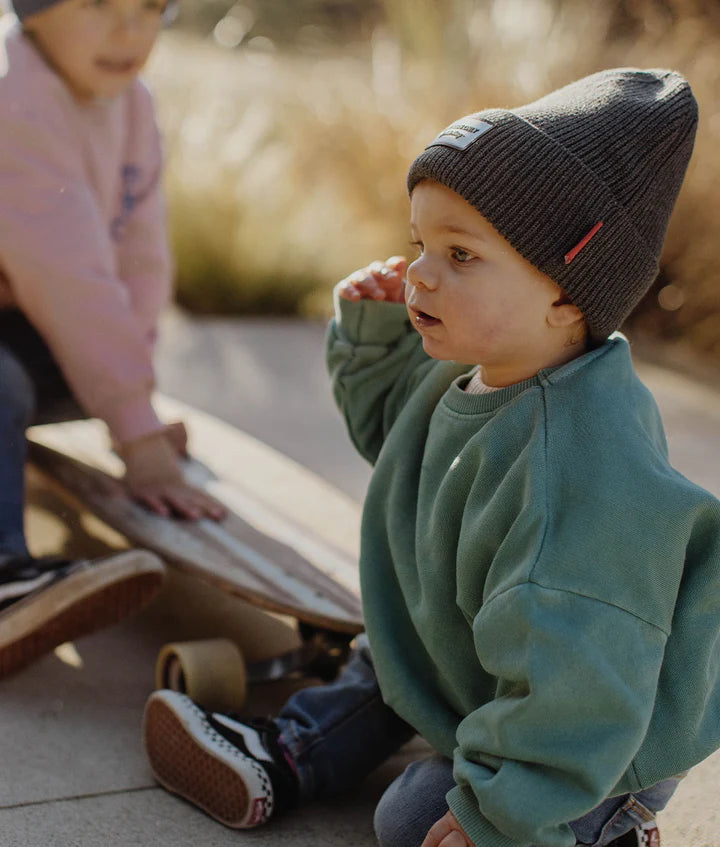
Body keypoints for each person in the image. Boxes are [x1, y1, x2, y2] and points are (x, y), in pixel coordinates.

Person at [142, 68, 720, 847]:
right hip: (492, 655)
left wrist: (499, 811)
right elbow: (400, 448)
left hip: (607, 726)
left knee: (414, 815)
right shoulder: (482, 362)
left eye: (461, 254)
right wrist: (377, 339)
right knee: (392, 654)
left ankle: (608, 827)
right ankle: (292, 750)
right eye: (420, 243)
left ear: (567, 295)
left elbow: (587, 682)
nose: (420, 272)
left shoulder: (580, 473)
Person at [0, 0, 226, 678]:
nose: (129, 30)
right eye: (100, 5)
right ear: (33, 12)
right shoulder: (15, 102)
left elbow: (139, 258)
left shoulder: (131, 103)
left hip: (29, 316)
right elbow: (68, 275)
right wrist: (136, 436)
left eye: (150, 7)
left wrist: (136, 405)